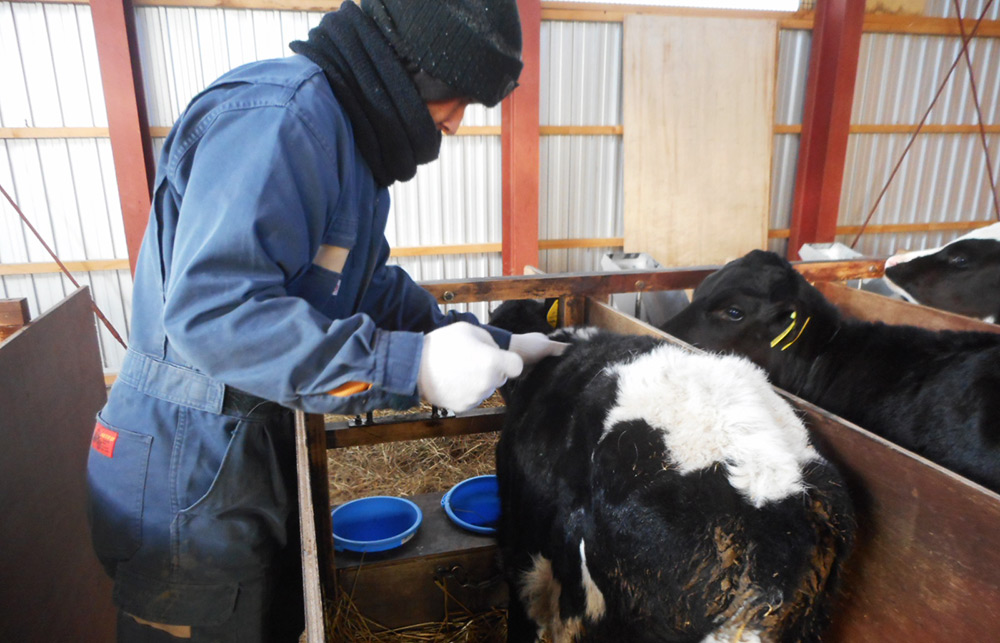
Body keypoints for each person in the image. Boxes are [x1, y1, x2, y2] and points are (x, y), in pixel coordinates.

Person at [85, 1, 564, 640]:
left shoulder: (351, 152)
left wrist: (500, 342)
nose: (453, 124)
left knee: (276, 620)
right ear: (414, 66)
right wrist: (409, 367)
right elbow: (215, 311)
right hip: (188, 466)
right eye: (458, 98)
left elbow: (370, 288)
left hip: (246, 444)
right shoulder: (283, 122)